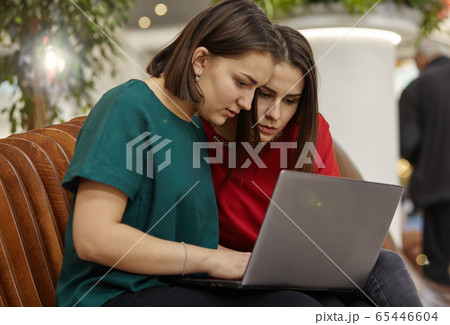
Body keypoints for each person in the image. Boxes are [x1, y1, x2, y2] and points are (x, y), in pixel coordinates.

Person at [55, 0, 326, 307]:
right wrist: (212, 261)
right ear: (200, 61)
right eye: (242, 83)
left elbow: (195, 244)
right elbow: (94, 238)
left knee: (305, 302)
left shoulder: (194, 128)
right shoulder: (127, 106)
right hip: (113, 297)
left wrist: (251, 263)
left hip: (175, 288)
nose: (249, 104)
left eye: (256, 90)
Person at [202, 25, 422, 306]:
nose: (275, 114)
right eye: (266, 94)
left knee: (387, 263)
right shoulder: (209, 135)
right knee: (322, 306)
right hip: (243, 272)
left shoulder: (310, 130)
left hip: (308, 267)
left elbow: (334, 222)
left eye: (291, 101)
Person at [399, 38, 450, 286]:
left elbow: (408, 142)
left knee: (437, 267)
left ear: (421, 59)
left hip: (438, 187)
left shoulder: (417, 87)